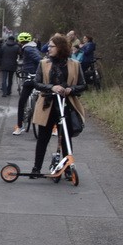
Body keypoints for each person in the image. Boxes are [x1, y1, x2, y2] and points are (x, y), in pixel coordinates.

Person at [29, 34, 86, 178]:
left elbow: (83, 85)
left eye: (51, 46)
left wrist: (70, 90)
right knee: (43, 137)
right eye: (49, 46)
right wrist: (52, 87)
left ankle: (67, 169)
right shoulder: (44, 63)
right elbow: (36, 83)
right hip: (47, 105)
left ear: (60, 48)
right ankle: (36, 168)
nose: (48, 48)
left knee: (66, 138)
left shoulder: (75, 65)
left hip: (67, 105)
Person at [12, 32, 42, 135]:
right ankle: (54, 128)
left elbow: (39, 60)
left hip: (30, 77)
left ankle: (19, 126)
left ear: (21, 41)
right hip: (37, 77)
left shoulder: (28, 49)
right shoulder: (34, 47)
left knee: (21, 102)